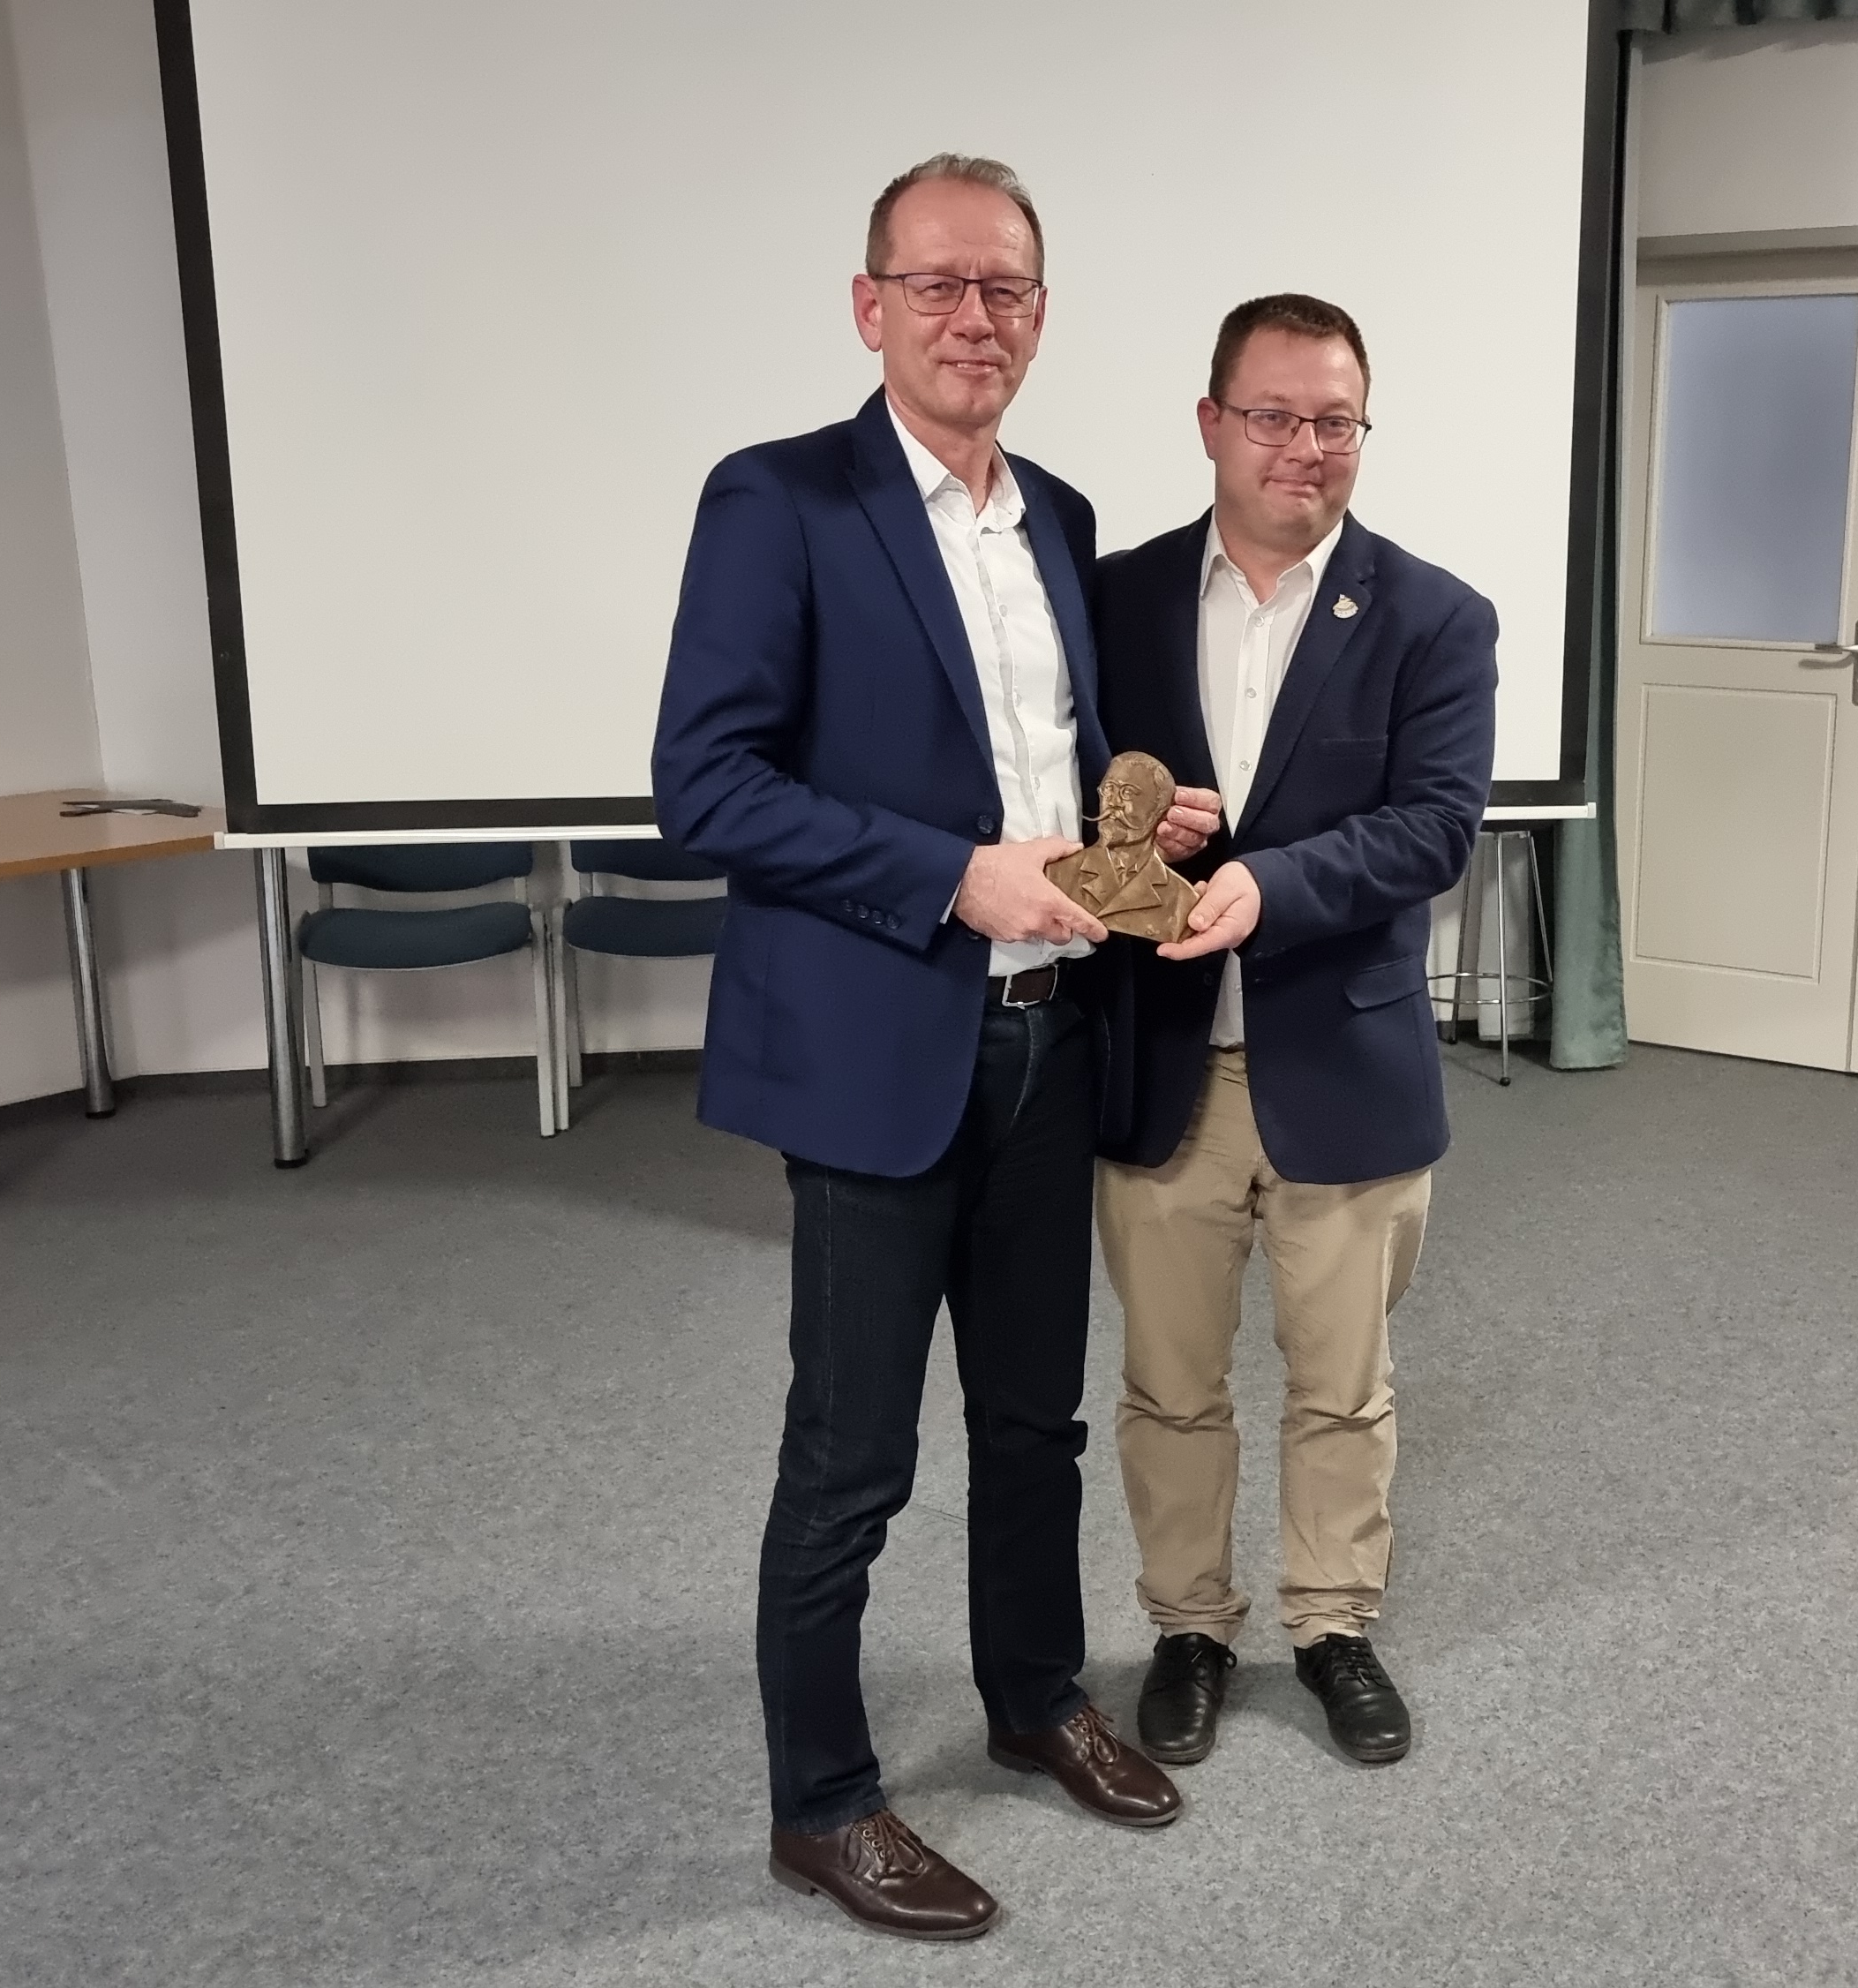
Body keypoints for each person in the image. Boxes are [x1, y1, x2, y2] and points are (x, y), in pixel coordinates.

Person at [651, 154, 1180, 1946]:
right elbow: (706, 784)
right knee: (851, 1455)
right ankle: (820, 1804)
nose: (974, 317)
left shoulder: (1061, 518)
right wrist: (952, 875)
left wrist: (1127, 833)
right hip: (880, 1049)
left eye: (1005, 287)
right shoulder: (779, 499)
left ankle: (1034, 1697)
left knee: (1032, 1423)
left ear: (1040, 314)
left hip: (1049, 1037)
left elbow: (1040, 769)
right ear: (868, 305)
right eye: (938, 283)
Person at [1086, 294, 1495, 1770]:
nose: (1304, 448)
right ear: (1212, 423)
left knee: (1342, 1386)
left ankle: (1333, 1626)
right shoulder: (1112, 599)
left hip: (1347, 1068)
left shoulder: (1436, 616)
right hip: (1160, 1068)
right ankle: (1190, 1625)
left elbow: (1436, 827)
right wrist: (1123, 831)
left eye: (1335, 421)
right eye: (1272, 415)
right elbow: (1057, 795)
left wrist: (1272, 884)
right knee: (1169, 1386)